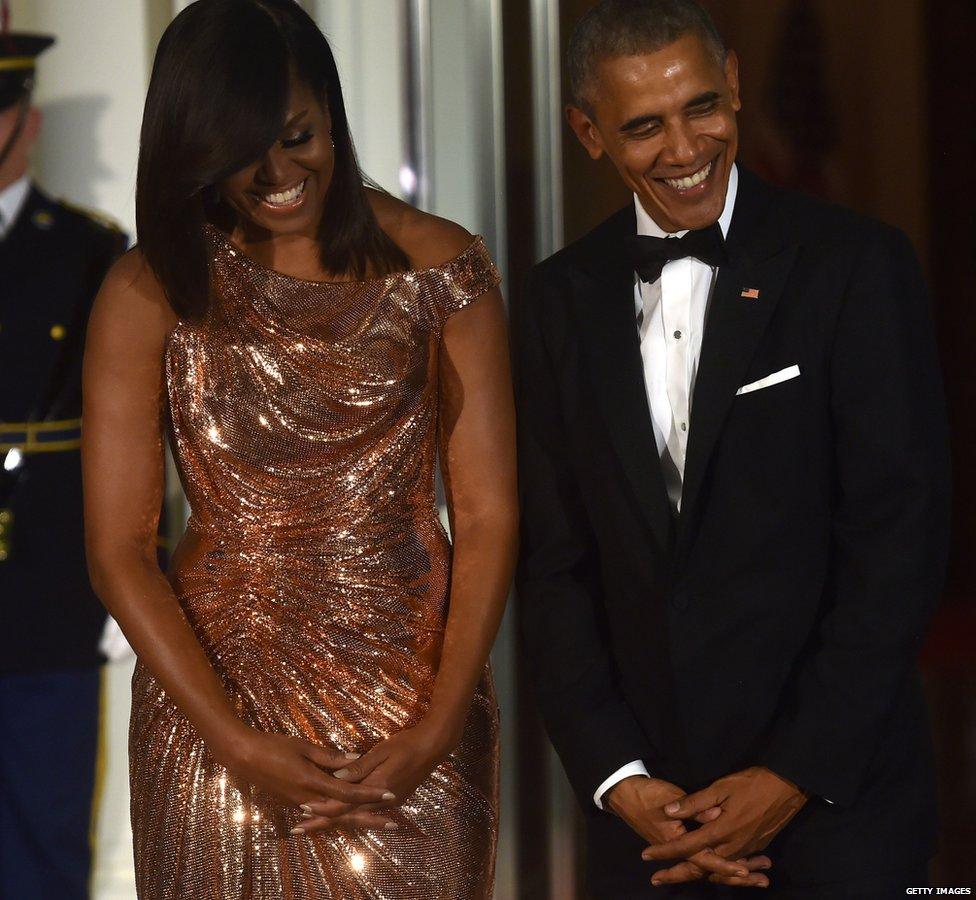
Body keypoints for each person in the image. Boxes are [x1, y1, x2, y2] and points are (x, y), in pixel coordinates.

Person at [513, 1, 950, 897]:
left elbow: (901, 542)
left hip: (840, 812)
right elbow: (554, 564)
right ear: (588, 133)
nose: (684, 148)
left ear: (739, 85)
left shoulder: (857, 266)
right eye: (643, 126)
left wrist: (790, 776)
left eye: (701, 107)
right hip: (647, 831)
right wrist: (619, 779)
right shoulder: (557, 300)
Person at [82, 1, 517, 897]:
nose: (277, 174)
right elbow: (119, 550)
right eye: (242, 152)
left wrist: (434, 731)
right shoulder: (149, 288)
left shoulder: (443, 268)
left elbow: (487, 513)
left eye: (298, 136)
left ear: (332, 112)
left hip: (410, 713)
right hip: (213, 714)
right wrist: (236, 743)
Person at [0, 14, 128, 898]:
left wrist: (131, 577)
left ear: (26, 121)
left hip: (45, 586)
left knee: (46, 845)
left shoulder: (89, 253)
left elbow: (134, 434)